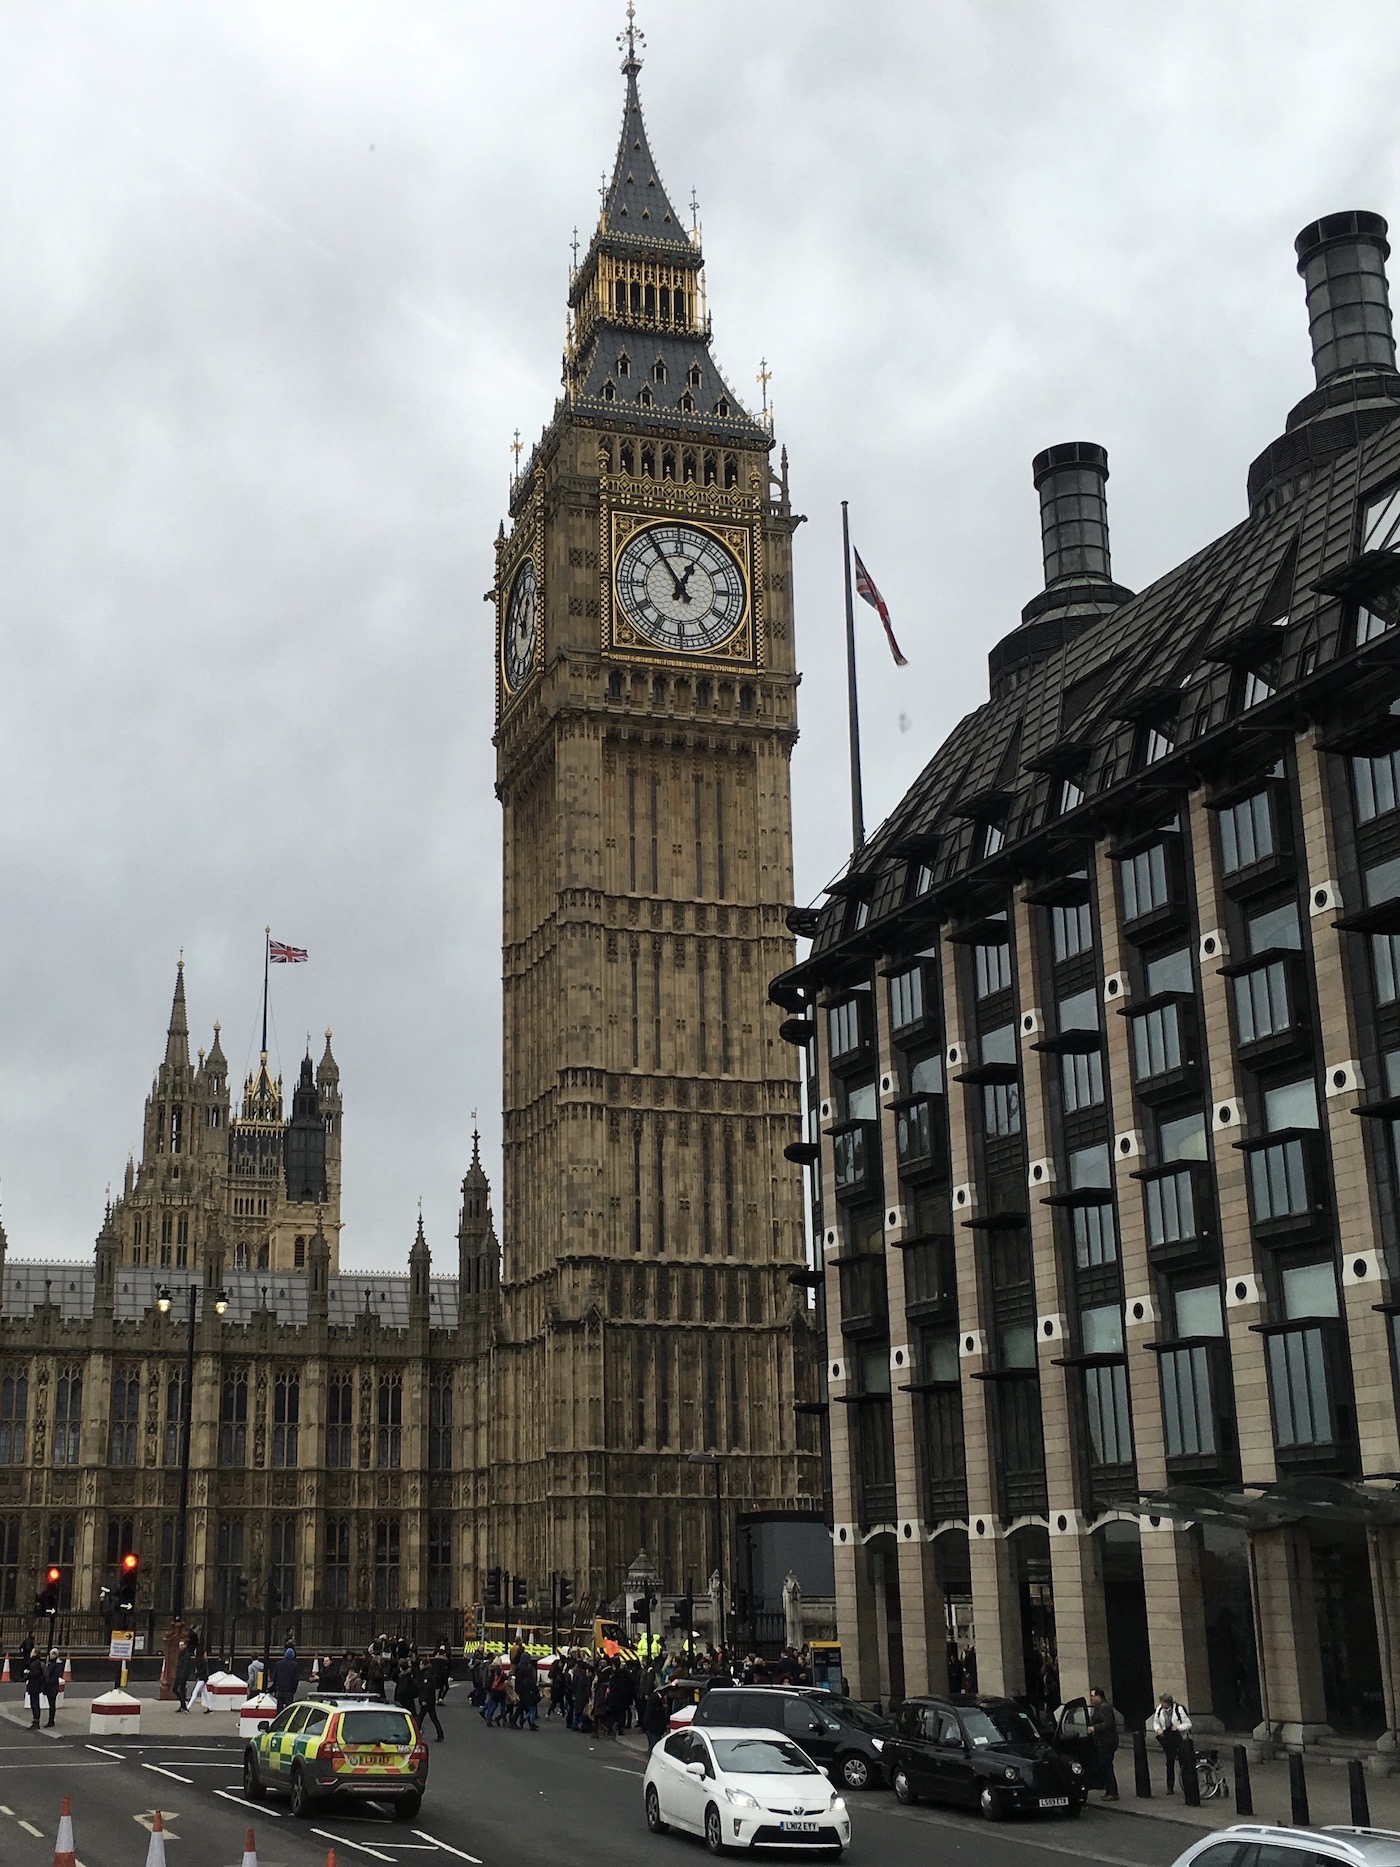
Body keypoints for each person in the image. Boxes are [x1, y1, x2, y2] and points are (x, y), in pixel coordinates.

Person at [1151, 1693, 1192, 1793]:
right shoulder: (1160, 1709)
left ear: (1167, 1703)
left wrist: (1178, 1727)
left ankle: (1186, 1785)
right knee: (1169, 1762)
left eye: (1162, 1702)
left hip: (1179, 1737)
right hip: (1167, 1737)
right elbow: (1156, 1722)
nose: (1161, 1704)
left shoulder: (1179, 1709)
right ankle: (1170, 1787)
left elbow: (1188, 1724)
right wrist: (1158, 1729)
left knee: (1183, 1762)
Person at [1089, 1686, 1120, 1801]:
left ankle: (1112, 1791)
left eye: (1093, 1696)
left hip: (1107, 1741)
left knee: (1106, 1765)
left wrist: (1095, 1728)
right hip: (1102, 1741)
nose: (1091, 1698)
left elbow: (1108, 1723)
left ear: (1099, 1696)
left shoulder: (1104, 1707)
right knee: (1105, 1765)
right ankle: (1110, 1790)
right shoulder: (1099, 1707)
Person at [416, 1657, 444, 1741]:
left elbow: (426, 1688)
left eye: (421, 1664)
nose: (419, 1666)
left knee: (420, 1718)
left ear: (424, 1665)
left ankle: (416, 1734)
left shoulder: (426, 1675)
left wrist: (424, 1699)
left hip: (427, 1700)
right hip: (430, 1700)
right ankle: (440, 1734)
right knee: (433, 1718)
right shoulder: (429, 1673)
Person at [185, 1630, 212, 1714]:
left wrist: (198, 1676)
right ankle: (210, 1707)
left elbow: (201, 1670)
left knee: (195, 1692)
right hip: (203, 1678)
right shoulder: (202, 1660)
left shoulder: (200, 1661)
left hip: (201, 1678)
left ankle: (188, 1707)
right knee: (205, 1692)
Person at [514, 1647, 540, 1731]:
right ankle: (525, 1722)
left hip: (521, 1690)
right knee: (525, 1707)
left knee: (522, 1707)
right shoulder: (527, 1669)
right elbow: (530, 1681)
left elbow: (518, 1681)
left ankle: (527, 1722)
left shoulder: (518, 1668)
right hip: (527, 1691)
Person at [272, 1645, 300, 1713]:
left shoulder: (279, 1664)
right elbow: (295, 1679)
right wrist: (293, 1690)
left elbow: (275, 1677)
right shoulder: (295, 1665)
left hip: (280, 1689)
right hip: (289, 1690)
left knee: (279, 1708)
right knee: (288, 1710)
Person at [24, 1650, 45, 1730]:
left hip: (35, 1685)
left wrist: (27, 1674)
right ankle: (35, 1720)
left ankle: (36, 1722)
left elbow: (35, 1674)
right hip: (34, 1685)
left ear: (35, 1653)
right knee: (34, 1703)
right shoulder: (34, 1662)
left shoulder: (35, 1663)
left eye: (32, 1652)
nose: (30, 1653)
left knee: (35, 1703)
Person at [174, 1634, 194, 1712]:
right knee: (180, 1689)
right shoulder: (183, 1654)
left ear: (185, 1645)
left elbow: (185, 1666)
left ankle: (183, 1705)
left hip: (182, 1675)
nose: (180, 1647)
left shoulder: (185, 1654)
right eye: (179, 1645)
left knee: (176, 1689)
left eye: (182, 1645)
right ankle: (183, 1705)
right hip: (181, 1674)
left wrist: (181, 1675)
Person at [43, 1649, 61, 1728]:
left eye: (51, 1654)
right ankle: (51, 1720)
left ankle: (51, 1720)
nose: (50, 1656)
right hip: (48, 1686)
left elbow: (56, 1674)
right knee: (51, 1703)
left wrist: (49, 1681)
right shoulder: (50, 1663)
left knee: (52, 1703)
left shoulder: (57, 1664)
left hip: (53, 1686)